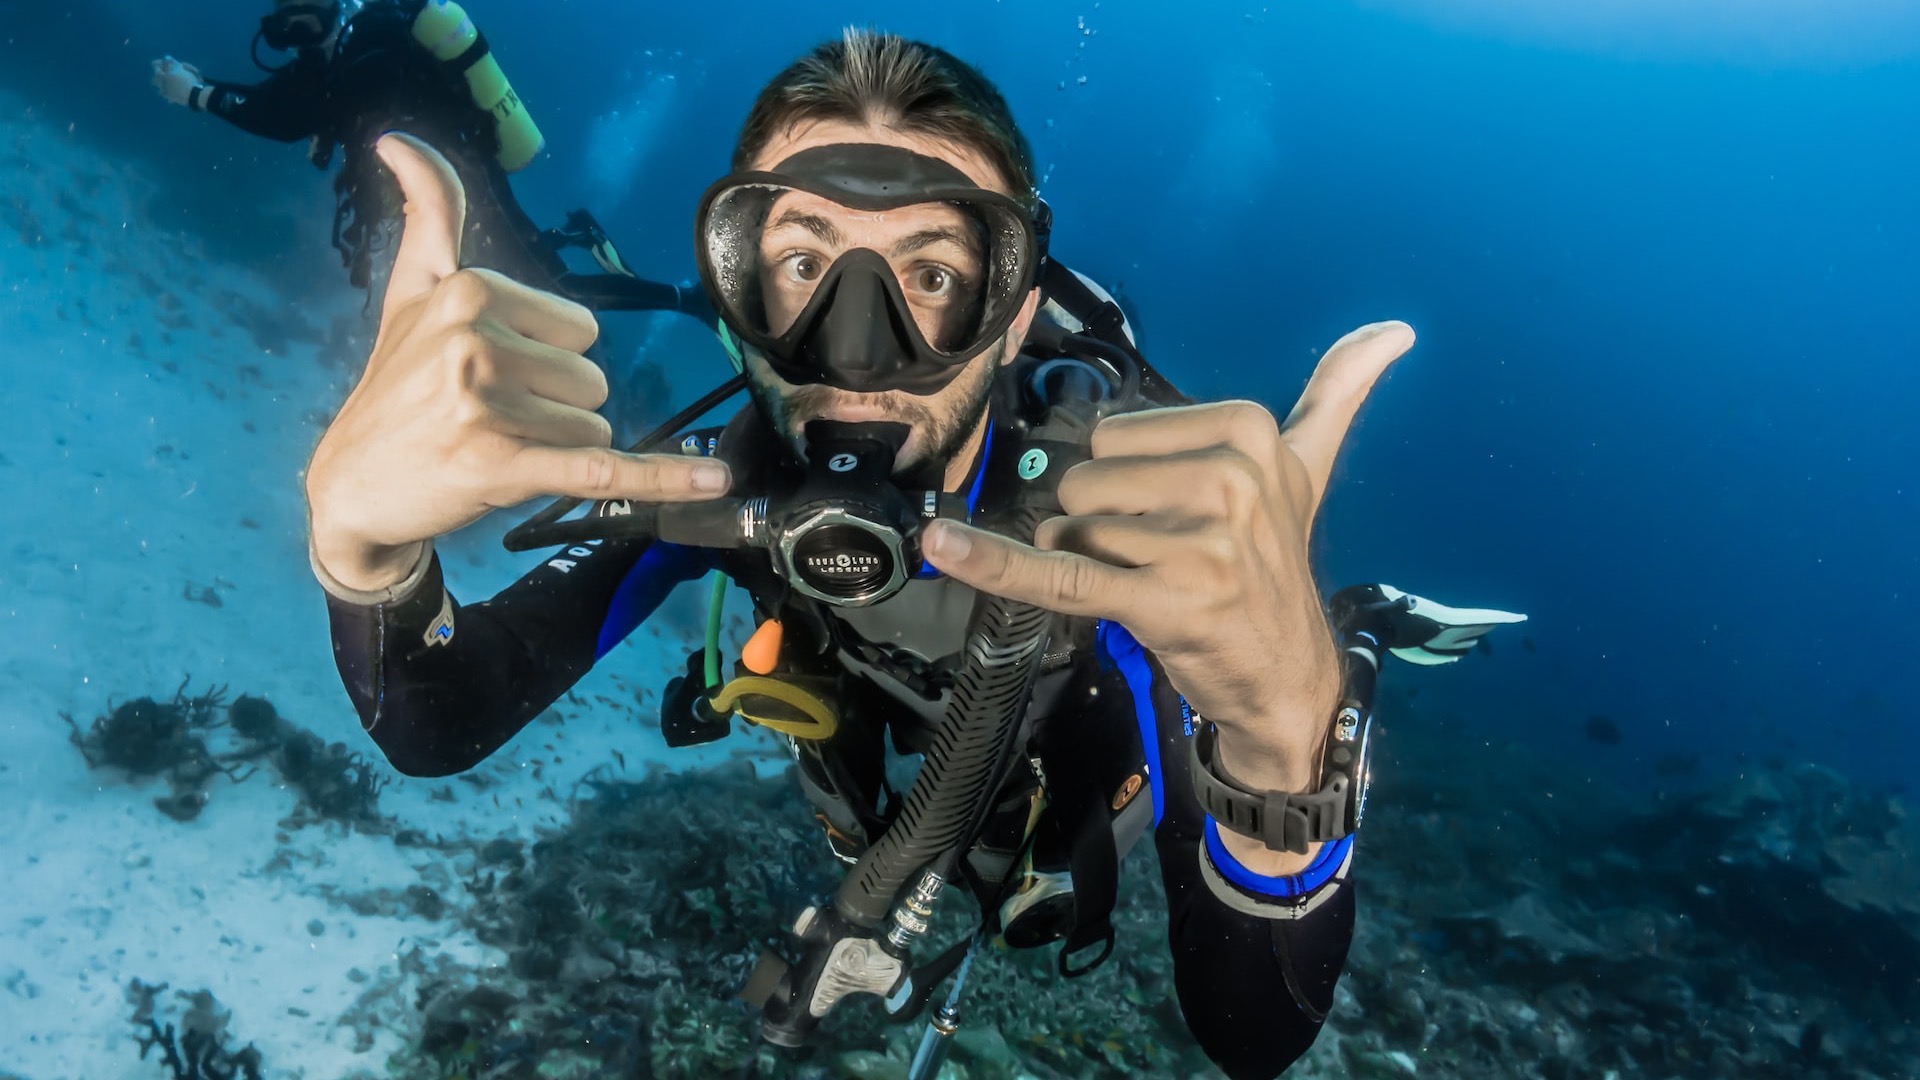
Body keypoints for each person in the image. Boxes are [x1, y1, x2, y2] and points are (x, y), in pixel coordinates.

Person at [300, 29, 1520, 1078]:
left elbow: (1253, 1032)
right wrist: (360, 549)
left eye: (935, 273)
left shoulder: (1119, 526)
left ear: (1015, 310)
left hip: (1072, 791)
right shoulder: (715, 477)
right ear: (734, 292)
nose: (858, 348)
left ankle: (1341, 636)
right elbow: (436, 717)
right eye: (800, 263)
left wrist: (1280, 736)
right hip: (893, 806)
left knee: (1273, 668)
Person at [151, 0, 693, 315]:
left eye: (306, 19)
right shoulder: (342, 49)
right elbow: (284, 102)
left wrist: (200, 97)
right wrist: (204, 85)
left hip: (465, 185)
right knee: (494, 275)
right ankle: (572, 237)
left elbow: (285, 117)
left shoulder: (368, 47)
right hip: (442, 193)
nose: (296, 38)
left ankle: (686, 300)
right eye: (285, 24)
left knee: (554, 291)